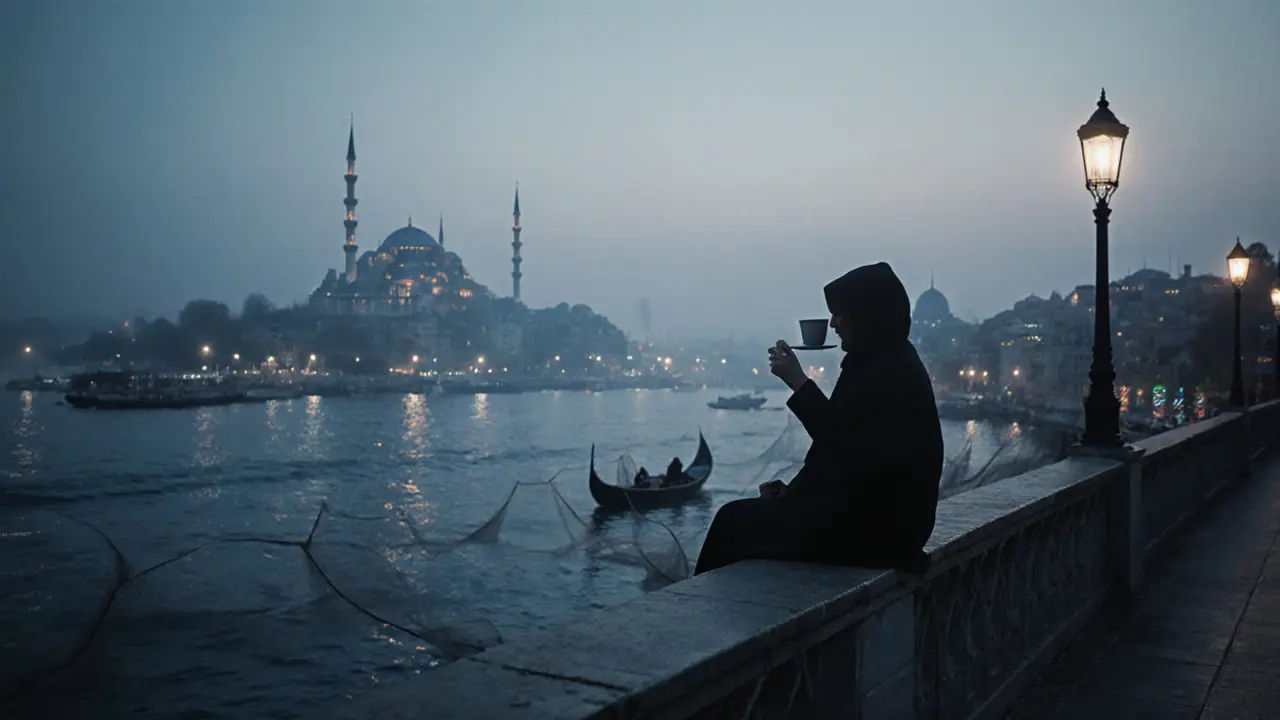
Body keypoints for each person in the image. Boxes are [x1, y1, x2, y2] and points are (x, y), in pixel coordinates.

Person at [694, 262, 942, 575]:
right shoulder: (886, 360)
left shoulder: (886, 371)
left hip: (877, 533)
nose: (834, 323)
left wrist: (797, 381)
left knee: (731, 521)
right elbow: (849, 456)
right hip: (884, 523)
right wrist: (794, 495)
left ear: (865, 316)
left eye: (841, 314)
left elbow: (839, 442)